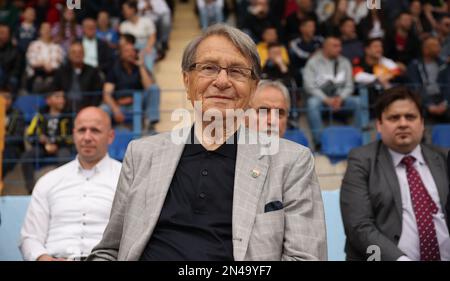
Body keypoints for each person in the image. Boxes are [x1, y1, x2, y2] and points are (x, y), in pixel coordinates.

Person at [88, 24, 326, 261]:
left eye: (236, 71)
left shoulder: (292, 162)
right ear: (186, 81)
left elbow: (305, 258)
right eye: (209, 68)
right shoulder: (141, 154)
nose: (222, 81)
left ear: (253, 88)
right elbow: (110, 251)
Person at [340, 86, 450, 261]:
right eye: (394, 118)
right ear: (379, 125)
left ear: (422, 123)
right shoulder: (361, 161)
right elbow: (358, 226)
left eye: (410, 117)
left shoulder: (444, 159)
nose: (403, 123)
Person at [19, 107, 122, 261]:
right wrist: (45, 259)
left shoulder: (126, 179)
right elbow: (30, 238)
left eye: (95, 130)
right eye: (82, 130)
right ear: (74, 134)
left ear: (110, 136)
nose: (87, 137)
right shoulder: (48, 181)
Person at [303, 36, 359, 147]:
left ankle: (357, 136)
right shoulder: (313, 62)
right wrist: (326, 99)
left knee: (358, 102)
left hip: (340, 99)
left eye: (339, 46)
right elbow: (308, 85)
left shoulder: (345, 62)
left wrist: (340, 98)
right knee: (312, 103)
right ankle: (319, 142)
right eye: (335, 46)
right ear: (325, 47)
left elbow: (349, 85)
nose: (339, 49)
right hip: (321, 99)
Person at [21, 88, 73, 193]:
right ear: (48, 100)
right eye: (57, 97)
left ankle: (62, 191)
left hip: (62, 147)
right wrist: (40, 140)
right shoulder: (40, 115)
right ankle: (31, 190)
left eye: (63, 97)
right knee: (26, 158)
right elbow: (30, 135)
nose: (62, 100)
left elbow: (72, 137)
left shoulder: (69, 115)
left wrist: (54, 142)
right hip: (42, 147)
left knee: (65, 159)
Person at [101, 42, 160, 130]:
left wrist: (141, 66)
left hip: (138, 103)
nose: (131, 53)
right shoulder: (114, 69)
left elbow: (149, 87)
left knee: (154, 88)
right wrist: (115, 109)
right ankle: (102, 133)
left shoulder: (141, 68)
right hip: (119, 105)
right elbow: (106, 94)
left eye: (133, 51)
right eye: (127, 51)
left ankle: (151, 123)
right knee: (103, 109)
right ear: (121, 55)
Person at [407, 36, 450, 124]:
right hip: (424, 101)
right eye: (434, 45)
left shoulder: (444, 65)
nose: (438, 47)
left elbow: (447, 84)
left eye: (438, 45)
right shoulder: (415, 66)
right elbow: (416, 87)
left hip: (442, 100)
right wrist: (429, 105)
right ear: (425, 49)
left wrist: (446, 102)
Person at [53, 41, 104, 113]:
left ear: (84, 54)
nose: (77, 55)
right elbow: (55, 90)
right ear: (69, 55)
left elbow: (97, 93)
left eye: (80, 52)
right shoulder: (61, 71)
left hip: (87, 107)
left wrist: (91, 108)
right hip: (65, 108)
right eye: (74, 52)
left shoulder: (93, 71)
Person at [26, 22, 64, 93]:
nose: (47, 31)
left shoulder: (57, 47)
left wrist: (51, 67)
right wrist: (43, 64)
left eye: (49, 29)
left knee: (52, 81)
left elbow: (59, 63)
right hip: (36, 75)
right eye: (44, 29)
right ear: (40, 31)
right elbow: (31, 61)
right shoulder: (33, 45)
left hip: (53, 74)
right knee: (38, 81)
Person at [0, 87, 24, 177]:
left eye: (8, 98)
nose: (6, 101)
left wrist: (3, 140)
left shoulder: (17, 113)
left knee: (5, 160)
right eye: (3, 97)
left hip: (10, 148)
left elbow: (18, 137)